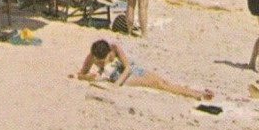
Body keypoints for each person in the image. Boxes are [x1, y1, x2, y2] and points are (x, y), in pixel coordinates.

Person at [76, 39, 213, 100]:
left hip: (129, 71)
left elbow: (128, 66)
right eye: (99, 61)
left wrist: (117, 84)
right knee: (161, 85)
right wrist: (88, 77)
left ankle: (196, 91)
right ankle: (198, 95)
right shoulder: (91, 57)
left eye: (103, 60)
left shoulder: (114, 47)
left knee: (163, 81)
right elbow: (81, 74)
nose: (101, 63)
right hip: (122, 78)